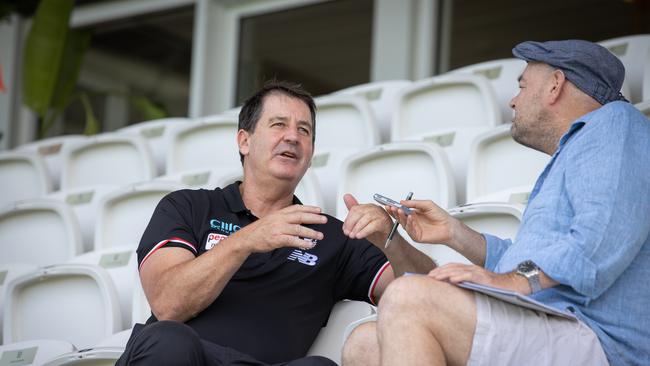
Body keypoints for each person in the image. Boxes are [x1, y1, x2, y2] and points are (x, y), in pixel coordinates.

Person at [342, 40, 650, 366]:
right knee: (363, 345)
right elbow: (522, 260)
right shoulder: (575, 153)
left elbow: (598, 241)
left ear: (555, 85)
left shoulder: (617, 124)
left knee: (408, 296)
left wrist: (515, 280)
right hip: (547, 324)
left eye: (522, 86)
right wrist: (453, 232)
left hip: (596, 339)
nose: (513, 101)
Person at [116, 80, 435, 366]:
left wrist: (389, 239)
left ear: (310, 153)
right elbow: (169, 304)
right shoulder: (189, 206)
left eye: (304, 130)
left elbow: (425, 296)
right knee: (169, 340)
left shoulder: (333, 236)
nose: (293, 137)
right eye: (279, 124)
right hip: (183, 356)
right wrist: (247, 240)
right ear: (244, 141)